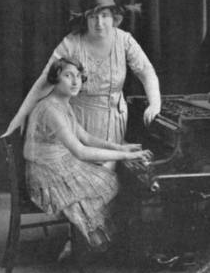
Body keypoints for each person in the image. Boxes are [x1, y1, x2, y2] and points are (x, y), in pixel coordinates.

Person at [23, 56, 152, 254]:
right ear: (55, 79)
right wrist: (126, 157)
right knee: (112, 182)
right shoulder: (51, 110)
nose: (75, 81)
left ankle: (79, 238)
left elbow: (86, 137)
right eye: (68, 75)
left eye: (78, 76)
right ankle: (79, 241)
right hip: (47, 175)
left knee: (109, 179)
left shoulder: (62, 103)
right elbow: (81, 151)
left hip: (56, 165)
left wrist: (120, 148)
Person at [2, 0, 161, 144]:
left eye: (104, 16)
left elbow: (146, 71)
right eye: (92, 16)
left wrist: (155, 102)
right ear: (85, 19)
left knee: (111, 166)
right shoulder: (72, 43)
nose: (99, 23)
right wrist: (21, 115)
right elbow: (46, 80)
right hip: (79, 121)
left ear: (114, 16)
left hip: (115, 121)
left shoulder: (124, 40)